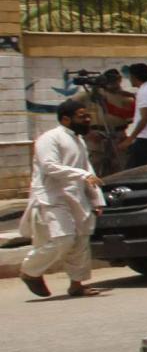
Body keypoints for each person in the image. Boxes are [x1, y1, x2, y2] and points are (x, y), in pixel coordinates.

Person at [19, 99, 105, 299]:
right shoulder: (49, 139)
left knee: (81, 240)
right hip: (52, 197)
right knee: (63, 239)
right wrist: (82, 175)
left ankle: (76, 284)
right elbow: (50, 166)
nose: (87, 119)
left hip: (76, 196)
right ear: (66, 119)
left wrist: (96, 199)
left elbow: (88, 170)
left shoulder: (78, 140)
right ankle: (30, 271)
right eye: (82, 116)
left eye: (87, 116)